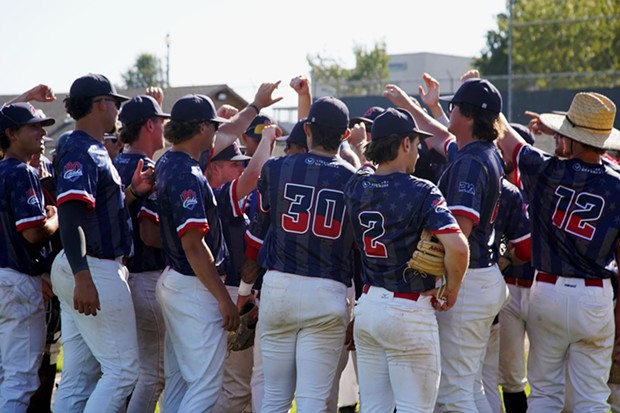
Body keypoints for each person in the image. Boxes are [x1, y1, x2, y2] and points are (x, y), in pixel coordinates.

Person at [384, 78, 510, 412]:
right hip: (482, 275)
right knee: (468, 384)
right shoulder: (478, 151)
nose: (448, 112)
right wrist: (409, 105)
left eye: (452, 107)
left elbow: (460, 234)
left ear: (466, 116)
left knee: (453, 391)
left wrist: (444, 283)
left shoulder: (471, 161)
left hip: (467, 278)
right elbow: (439, 135)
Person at [498, 92, 620, 412]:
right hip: (595, 297)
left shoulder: (546, 170)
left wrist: (555, 134)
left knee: (544, 395)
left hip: (548, 293)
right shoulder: (618, 184)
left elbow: (509, 140)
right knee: (592, 398)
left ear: (571, 137)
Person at [344, 107, 469, 412]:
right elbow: (459, 247)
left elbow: (365, 168)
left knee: (374, 408)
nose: (419, 150)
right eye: (416, 142)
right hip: (409, 309)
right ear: (404, 143)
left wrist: (360, 146)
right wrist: (451, 289)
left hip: (369, 306)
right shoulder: (422, 190)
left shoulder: (358, 184)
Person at [238, 96, 356, 413]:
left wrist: (244, 291)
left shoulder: (275, 169)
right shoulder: (355, 180)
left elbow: (255, 240)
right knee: (312, 401)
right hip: (328, 292)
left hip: (279, 289)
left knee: (274, 398)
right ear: (345, 136)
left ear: (306, 130)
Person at [51, 73, 153, 413]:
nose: (118, 109)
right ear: (99, 104)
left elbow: (98, 211)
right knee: (123, 372)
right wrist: (83, 275)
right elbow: (71, 215)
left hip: (85, 263)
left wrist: (133, 193)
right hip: (91, 265)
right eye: (115, 102)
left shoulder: (89, 146)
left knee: (81, 374)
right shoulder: (81, 146)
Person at [155, 93, 240, 412]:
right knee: (205, 383)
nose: (217, 131)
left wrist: (256, 105)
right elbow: (193, 244)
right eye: (213, 125)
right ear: (201, 127)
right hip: (193, 282)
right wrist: (223, 298)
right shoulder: (186, 173)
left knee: (179, 380)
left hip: (176, 278)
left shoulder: (168, 160)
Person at [207, 133, 277, 413]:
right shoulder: (218, 196)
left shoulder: (221, 197)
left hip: (235, 293)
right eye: (234, 164)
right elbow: (256, 174)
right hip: (231, 295)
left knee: (241, 385)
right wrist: (267, 139)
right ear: (213, 168)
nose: (241, 168)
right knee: (236, 386)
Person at [114, 94, 170, 413]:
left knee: (122, 373)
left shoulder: (109, 163)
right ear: (149, 125)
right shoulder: (148, 168)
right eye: (160, 121)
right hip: (145, 278)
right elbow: (150, 234)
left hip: (116, 276)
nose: (163, 128)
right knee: (154, 373)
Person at [0, 102, 58, 413]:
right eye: (33, 126)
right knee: (20, 381)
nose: (41, 131)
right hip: (18, 281)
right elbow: (34, 233)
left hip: (4, 279)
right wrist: (55, 218)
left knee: (4, 376)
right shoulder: (21, 171)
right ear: (10, 133)